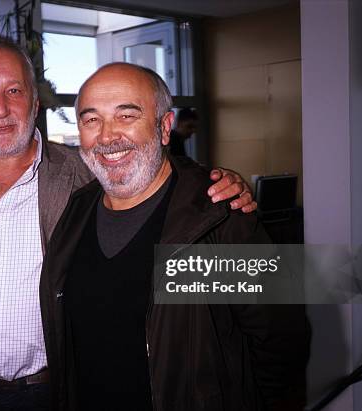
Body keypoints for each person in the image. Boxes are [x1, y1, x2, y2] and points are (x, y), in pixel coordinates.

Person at [0, 34, 256, 411]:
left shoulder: (84, 174)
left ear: (35, 101)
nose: (0, 109)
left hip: (52, 391)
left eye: (14, 91)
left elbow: (145, 169)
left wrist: (211, 182)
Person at [39, 63, 310, 411]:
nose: (106, 137)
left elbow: (280, 342)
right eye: (91, 120)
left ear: (165, 128)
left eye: (126, 116)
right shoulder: (77, 210)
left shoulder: (216, 217)